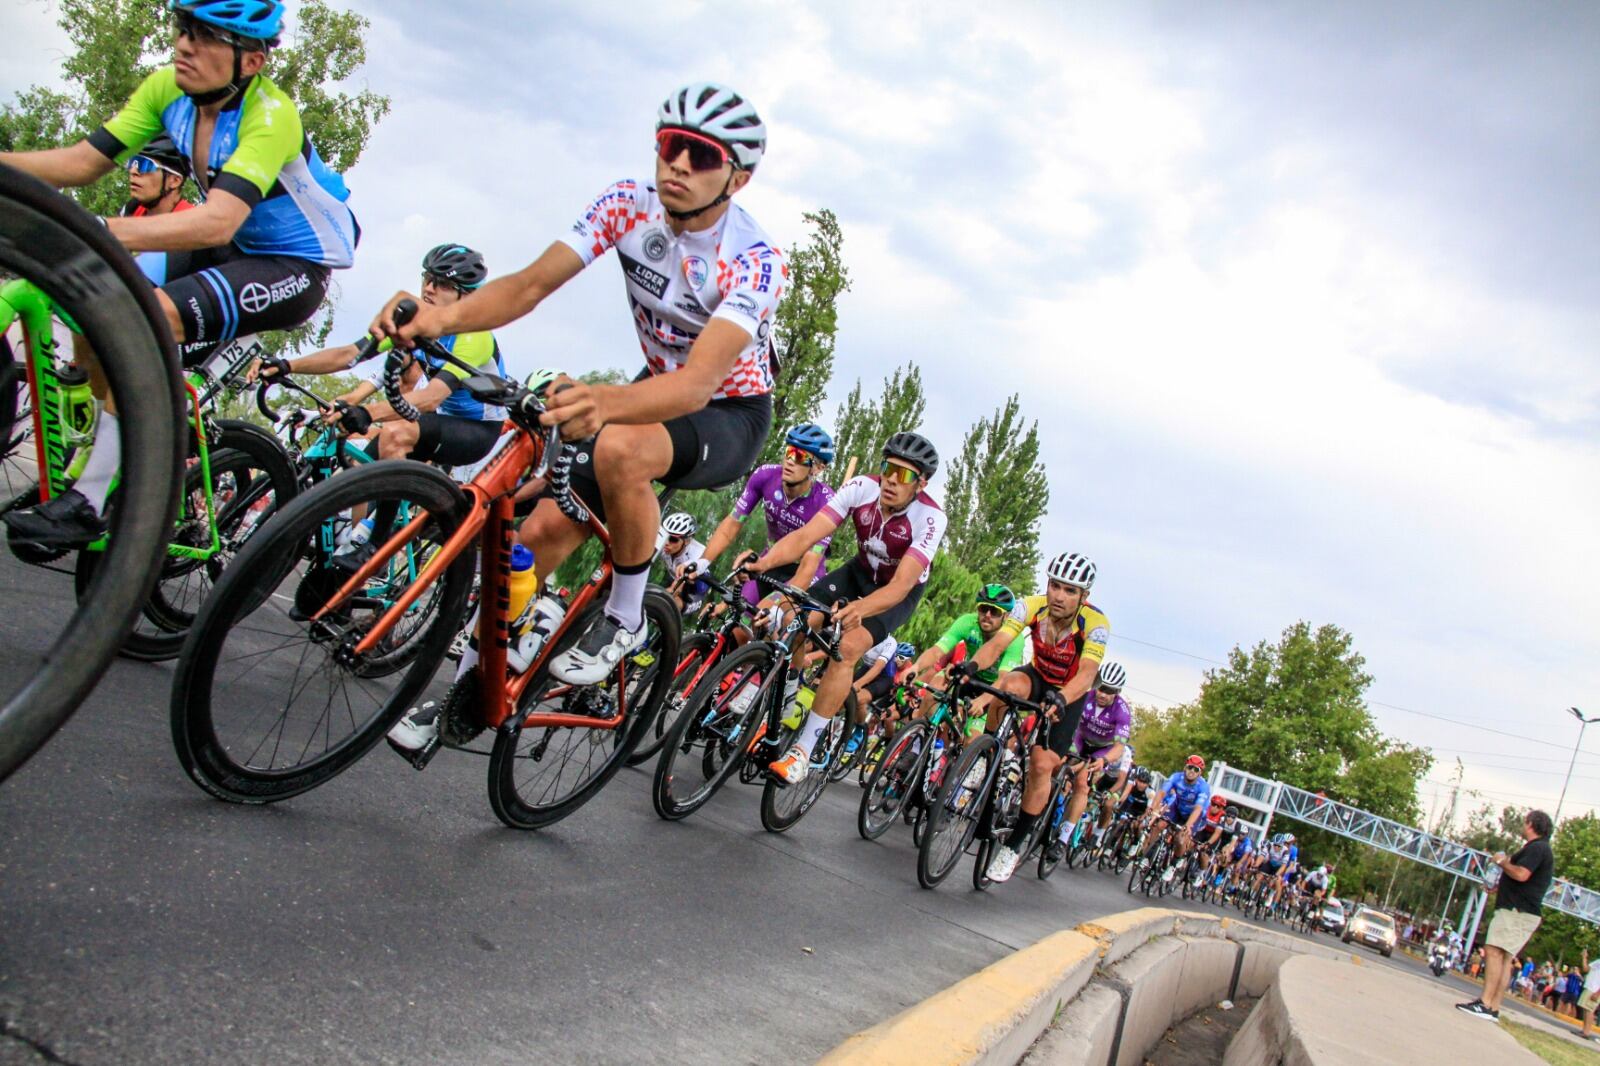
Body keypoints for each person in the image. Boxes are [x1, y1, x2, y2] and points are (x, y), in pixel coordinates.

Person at [372, 82, 784, 687]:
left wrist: (602, 401)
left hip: (727, 410)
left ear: (737, 179)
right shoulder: (627, 203)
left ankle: (625, 616)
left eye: (701, 156)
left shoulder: (754, 258)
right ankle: (464, 689)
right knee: (537, 533)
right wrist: (442, 318)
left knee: (619, 447)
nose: (678, 163)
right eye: (671, 145)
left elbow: (698, 383)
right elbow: (530, 285)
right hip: (654, 386)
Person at [2, 0, 357, 546]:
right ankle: (119, 431)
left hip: (293, 264)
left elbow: (216, 221)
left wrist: (92, 227)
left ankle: (90, 500)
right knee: (96, 292)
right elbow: (80, 163)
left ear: (252, 60)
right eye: (185, 29)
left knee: (154, 315)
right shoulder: (167, 88)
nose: (186, 44)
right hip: (235, 242)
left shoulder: (271, 115)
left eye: (208, 36)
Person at [744, 431, 945, 783]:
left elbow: (900, 585)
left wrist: (862, 609)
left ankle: (803, 752)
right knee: (795, 618)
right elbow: (806, 536)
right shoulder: (861, 488)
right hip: (860, 571)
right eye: (888, 469)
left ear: (921, 483)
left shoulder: (930, 518)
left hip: (896, 591)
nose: (892, 481)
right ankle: (787, 695)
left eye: (905, 475)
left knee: (847, 648)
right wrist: (764, 563)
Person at [257, 244, 507, 483]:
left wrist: (367, 412)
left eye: (442, 284)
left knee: (395, 434)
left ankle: (374, 529)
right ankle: (355, 529)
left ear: (466, 295)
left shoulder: (475, 336)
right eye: (427, 278)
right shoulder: (414, 324)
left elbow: (431, 397)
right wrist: (288, 365)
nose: (428, 288)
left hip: (478, 429)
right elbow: (348, 354)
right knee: (360, 473)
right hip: (438, 418)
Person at [960, 551, 1110, 883]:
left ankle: (1013, 847)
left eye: (1070, 591)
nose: (1059, 595)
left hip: (1069, 692)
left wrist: (1064, 696)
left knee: (1042, 766)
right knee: (1008, 685)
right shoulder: (1030, 606)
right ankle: (987, 752)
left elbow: (1087, 674)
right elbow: (998, 644)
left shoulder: (1096, 625)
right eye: (1055, 585)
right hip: (1038, 675)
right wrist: (971, 667)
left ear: (1084, 597)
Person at [686, 424, 836, 606]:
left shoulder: (826, 502)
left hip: (802, 569)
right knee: (740, 625)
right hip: (769, 561)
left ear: (818, 468)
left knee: (774, 620)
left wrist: (777, 609)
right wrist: (703, 563)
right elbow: (732, 524)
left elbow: (809, 564)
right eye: (789, 452)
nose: (789, 461)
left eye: (800, 457)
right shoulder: (765, 476)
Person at [1457, 809, 1555, 1021]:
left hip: (1516, 911)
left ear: (1531, 824)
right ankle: (1493, 1007)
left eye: (1524, 822)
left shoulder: (1537, 848)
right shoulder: (1540, 849)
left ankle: (1485, 1003)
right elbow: (1523, 878)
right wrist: (1499, 887)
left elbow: (1521, 874)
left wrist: (1501, 861)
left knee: (1493, 950)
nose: (1522, 825)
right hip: (1521, 910)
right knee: (1505, 958)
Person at [902, 584, 1024, 724]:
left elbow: (1004, 679)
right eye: (983, 609)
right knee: (935, 687)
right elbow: (937, 651)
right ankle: (918, 736)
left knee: (969, 737)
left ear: (1006, 615)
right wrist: (915, 667)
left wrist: (982, 700)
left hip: (992, 687)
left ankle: (949, 743)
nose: (987, 615)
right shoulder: (967, 622)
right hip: (969, 674)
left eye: (995, 611)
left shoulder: (1014, 639)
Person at [1138, 755, 1212, 872]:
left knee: (1180, 839)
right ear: (1185, 768)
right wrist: (1153, 808)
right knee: (1160, 825)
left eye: (1196, 769)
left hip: (1193, 815)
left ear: (1200, 773)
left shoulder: (1203, 787)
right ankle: (1149, 856)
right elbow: (1162, 793)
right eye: (1190, 767)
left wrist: (1188, 825)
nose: (1192, 771)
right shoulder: (1176, 777)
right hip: (1177, 808)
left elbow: (1198, 808)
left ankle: (1173, 865)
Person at [656, 512, 708, 613]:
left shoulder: (698, 553)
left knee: (666, 607)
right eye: (666, 536)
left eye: (673, 539)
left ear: (687, 541)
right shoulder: (663, 544)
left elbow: (676, 588)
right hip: (674, 578)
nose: (666, 543)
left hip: (693, 593)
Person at [1579, 948, 1600, 1041]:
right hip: (1589, 987)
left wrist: (1598, 993)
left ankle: (1586, 1032)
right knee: (1585, 1009)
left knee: (1590, 1010)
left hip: (1595, 989)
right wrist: (1584, 957)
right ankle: (1583, 1030)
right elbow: (1586, 969)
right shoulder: (1598, 961)